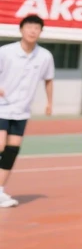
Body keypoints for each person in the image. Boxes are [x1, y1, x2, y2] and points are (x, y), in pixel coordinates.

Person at [0, 15, 55, 208]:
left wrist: (50, 102)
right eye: (29, 27)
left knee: (12, 150)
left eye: (37, 28)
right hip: (1, 106)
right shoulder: (6, 52)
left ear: (41, 32)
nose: (32, 31)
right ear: (21, 29)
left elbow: (49, 79)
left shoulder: (45, 56)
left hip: (22, 110)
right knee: (0, 144)